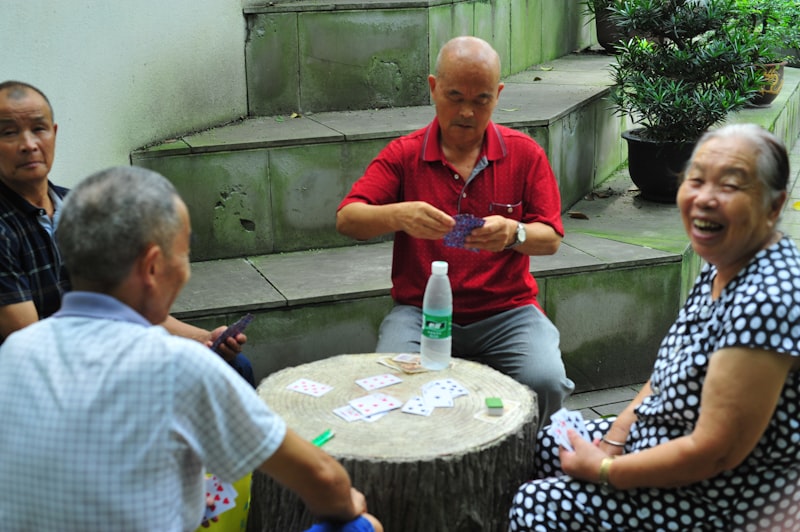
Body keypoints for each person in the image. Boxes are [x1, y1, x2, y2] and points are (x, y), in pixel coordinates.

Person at [0, 166, 382, 532]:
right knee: (363, 526)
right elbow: (322, 477)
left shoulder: (16, 351)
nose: (186, 271)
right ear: (152, 266)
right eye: (182, 254)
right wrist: (350, 507)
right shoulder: (177, 365)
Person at [508, 123, 800, 531]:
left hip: (717, 499)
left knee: (539, 503)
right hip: (659, 444)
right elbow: (665, 375)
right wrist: (615, 439)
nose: (704, 198)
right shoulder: (725, 262)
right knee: (537, 444)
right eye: (696, 180)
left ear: (773, 206)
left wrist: (607, 470)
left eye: (730, 186)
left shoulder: (768, 300)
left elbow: (714, 453)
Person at [336, 36, 574, 425]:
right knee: (390, 385)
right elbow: (348, 218)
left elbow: (551, 238)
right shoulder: (404, 154)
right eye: (454, 96)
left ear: (497, 95)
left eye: (480, 99)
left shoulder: (525, 154)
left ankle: (535, 470)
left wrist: (516, 233)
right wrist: (399, 215)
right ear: (433, 88)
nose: (466, 112)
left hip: (507, 311)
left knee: (545, 381)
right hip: (419, 311)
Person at [0, 80, 255, 385]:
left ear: (54, 134)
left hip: (114, 350)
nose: (29, 144)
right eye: (9, 132)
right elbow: (34, 344)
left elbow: (133, 304)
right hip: (53, 380)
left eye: (38, 129)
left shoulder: (81, 206)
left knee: (233, 365)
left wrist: (205, 339)